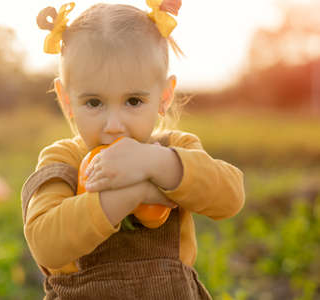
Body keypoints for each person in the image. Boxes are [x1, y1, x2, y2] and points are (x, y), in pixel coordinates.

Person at [21, 1, 245, 299]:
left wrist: (156, 163)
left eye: (134, 101)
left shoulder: (175, 150)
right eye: (94, 102)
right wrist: (133, 193)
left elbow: (230, 197)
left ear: (164, 96)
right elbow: (45, 243)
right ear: (66, 99)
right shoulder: (63, 160)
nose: (114, 125)